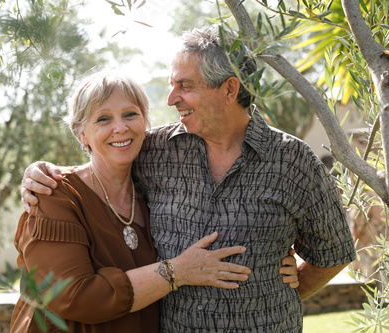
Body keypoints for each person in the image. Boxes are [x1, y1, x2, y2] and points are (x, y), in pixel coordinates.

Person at [21, 26, 356, 332]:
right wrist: (41, 172)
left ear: (229, 89)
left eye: (185, 86)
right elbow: (103, 160)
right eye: (171, 85)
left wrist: (293, 283)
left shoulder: (292, 160)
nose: (171, 98)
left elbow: (335, 251)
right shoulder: (156, 150)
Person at [11, 70, 299, 333]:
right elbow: (77, 298)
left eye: (130, 114)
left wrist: (275, 264)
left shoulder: (155, 191)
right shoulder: (53, 197)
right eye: (103, 119)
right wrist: (176, 272)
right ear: (80, 134)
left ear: (145, 123)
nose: (120, 128)